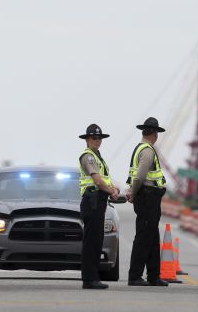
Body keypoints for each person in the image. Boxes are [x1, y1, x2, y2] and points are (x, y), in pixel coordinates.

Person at [125, 117, 168, 287]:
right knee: (144, 237)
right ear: (155, 134)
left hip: (149, 197)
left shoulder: (140, 148)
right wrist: (133, 192)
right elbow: (140, 176)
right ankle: (135, 276)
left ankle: (153, 275)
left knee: (152, 237)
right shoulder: (148, 150)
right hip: (148, 197)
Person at [78, 123, 119, 290]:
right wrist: (111, 191)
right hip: (92, 201)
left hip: (98, 201)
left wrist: (113, 189)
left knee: (96, 241)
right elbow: (96, 179)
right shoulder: (88, 156)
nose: (97, 140)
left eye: (99, 138)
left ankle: (93, 277)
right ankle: (89, 279)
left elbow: (104, 179)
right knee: (91, 241)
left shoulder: (97, 156)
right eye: (94, 138)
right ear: (87, 139)